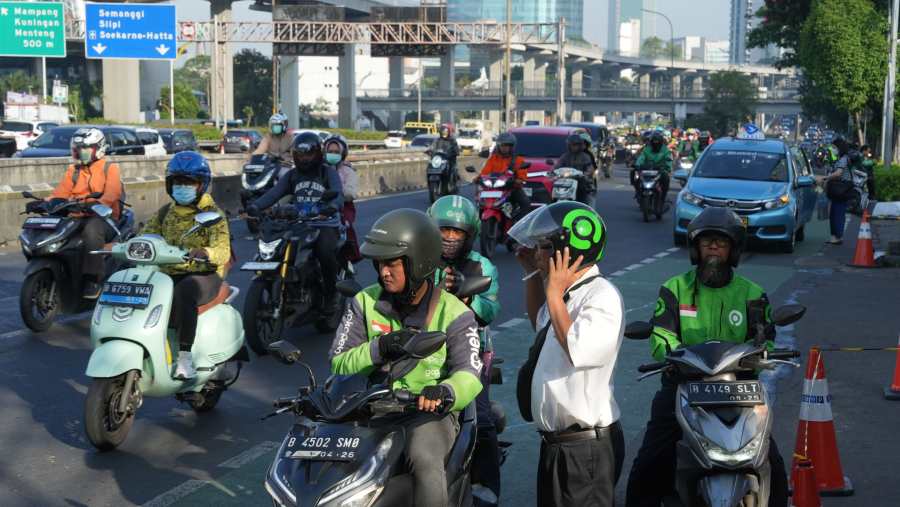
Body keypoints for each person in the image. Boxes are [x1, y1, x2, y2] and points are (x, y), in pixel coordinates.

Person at [624, 207, 788, 507]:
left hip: (739, 390)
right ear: (695, 248)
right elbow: (661, 335)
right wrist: (673, 356)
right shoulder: (675, 288)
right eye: (706, 241)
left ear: (734, 249)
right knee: (650, 459)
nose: (713, 246)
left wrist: (762, 348)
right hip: (683, 385)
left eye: (721, 242)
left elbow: (767, 338)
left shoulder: (753, 293)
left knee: (771, 462)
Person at [329, 208, 483, 507]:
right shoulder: (364, 301)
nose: (384, 272)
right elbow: (339, 361)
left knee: (424, 458)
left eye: (392, 264)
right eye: (379, 264)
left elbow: (470, 372)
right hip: (366, 409)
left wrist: (444, 392)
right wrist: (379, 349)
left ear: (418, 262)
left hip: (426, 413)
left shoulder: (454, 313)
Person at [509, 201, 625, 506]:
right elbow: (542, 324)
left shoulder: (602, 297)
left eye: (545, 247)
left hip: (585, 449)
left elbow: (577, 348)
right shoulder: (567, 295)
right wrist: (535, 276)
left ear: (570, 252)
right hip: (559, 445)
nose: (537, 253)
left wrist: (552, 291)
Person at [427, 195, 502, 505]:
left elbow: (491, 310)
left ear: (470, 235)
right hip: (420, 351)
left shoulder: (481, 265)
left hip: (469, 352)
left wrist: (467, 295)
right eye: (445, 230)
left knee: (481, 420)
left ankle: (486, 486)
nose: (450, 238)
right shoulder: (419, 255)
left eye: (458, 232)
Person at [142, 152, 232, 380]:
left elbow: (223, 251)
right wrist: (126, 246)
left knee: (185, 291)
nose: (182, 187)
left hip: (204, 273)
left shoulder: (212, 214)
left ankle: (185, 358)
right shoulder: (165, 213)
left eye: (188, 183)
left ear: (201, 185)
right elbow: (146, 236)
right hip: (169, 271)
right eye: (178, 182)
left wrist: (205, 252)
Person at [246, 131, 344, 316]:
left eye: (308, 154)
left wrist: (330, 206)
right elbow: (274, 193)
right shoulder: (292, 175)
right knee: (278, 249)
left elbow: (337, 194)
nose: (304, 158)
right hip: (298, 223)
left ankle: (331, 296)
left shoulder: (327, 173)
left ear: (318, 154)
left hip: (324, 224)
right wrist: (255, 206)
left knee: (324, 252)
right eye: (300, 154)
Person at [31, 127, 124, 299]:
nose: (81, 152)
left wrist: (97, 205)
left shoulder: (110, 168)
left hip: (103, 217)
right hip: (76, 215)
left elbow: (112, 193)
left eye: (86, 148)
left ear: (98, 148)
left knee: (91, 231)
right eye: (79, 149)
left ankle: (93, 279)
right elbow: (60, 193)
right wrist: (44, 202)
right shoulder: (73, 170)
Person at [324, 134, 362, 264]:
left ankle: (348, 257)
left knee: (345, 225)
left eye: (336, 152)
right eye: (330, 152)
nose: (333, 154)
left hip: (341, 208)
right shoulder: (319, 170)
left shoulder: (348, 171)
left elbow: (350, 193)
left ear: (343, 153)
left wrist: (335, 192)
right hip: (319, 208)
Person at [480, 132, 532, 218]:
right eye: (502, 145)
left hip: (511, 188)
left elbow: (522, 175)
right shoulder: (493, 158)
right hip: (493, 188)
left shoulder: (518, 160)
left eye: (507, 145)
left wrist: (519, 180)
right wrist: (478, 178)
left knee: (525, 203)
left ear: (512, 147)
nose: (504, 148)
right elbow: (485, 172)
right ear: (498, 146)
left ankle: (520, 226)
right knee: (480, 202)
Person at [818, 136, 852, 245]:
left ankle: (838, 237)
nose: (832, 149)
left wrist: (826, 178)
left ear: (839, 147)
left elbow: (838, 173)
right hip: (836, 189)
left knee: (838, 212)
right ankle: (834, 237)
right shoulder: (838, 158)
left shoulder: (844, 159)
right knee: (834, 213)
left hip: (841, 189)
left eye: (834, 147)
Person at [555, 133, 598, 203]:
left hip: (581, 182)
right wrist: (552, 172)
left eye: (576, 144)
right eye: (572, 144)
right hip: (567, 182)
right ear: (569, 145)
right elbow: (557, 165)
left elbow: (590, 167)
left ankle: (587, 211)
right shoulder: (565, 156)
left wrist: (586, 173)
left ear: (580, 145)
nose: (574, 147)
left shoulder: (585, 156)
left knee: (587, 198)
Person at [633, 132, 672, 200]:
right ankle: (638, 191)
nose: (655, 143)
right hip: (647, 169)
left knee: (666, 178)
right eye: (654, 141)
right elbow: (642, 157)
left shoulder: (665, 150)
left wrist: (667, 166)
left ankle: (663, 197)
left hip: (660, 169)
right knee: (634, 174)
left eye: (657, 141)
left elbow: (668, 159)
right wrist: (637, 165)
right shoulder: (647, 149)